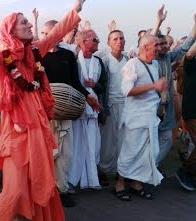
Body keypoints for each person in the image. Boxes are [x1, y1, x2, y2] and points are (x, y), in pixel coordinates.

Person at [0, 0, 87, 221]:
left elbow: (55, 34)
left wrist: (74, 9)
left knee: (31, 180)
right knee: (13, 188)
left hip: (38, 127)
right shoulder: (3, 60)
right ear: (12, 30)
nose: (29, 25)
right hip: (16, 133)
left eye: (28, 21)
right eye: (23, 22)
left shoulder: (34, 52)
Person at [40, 21, 99, 207]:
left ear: (58, 34)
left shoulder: (68, 55)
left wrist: (88, 97)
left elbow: (75, 82)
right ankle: (45, 190)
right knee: (46, 153)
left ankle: (62, 189)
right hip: (44, 114)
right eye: (44, 33)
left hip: (65, 112)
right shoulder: (37, 57)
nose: (47, 37)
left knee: (65, 153)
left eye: (51, 33)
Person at [114, 34, 167, 201]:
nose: (160, 48)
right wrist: (153, 85)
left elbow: (155, 90)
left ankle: (136, 183)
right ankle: (120, 183)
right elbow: (127, 91)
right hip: (135, 118)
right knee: (130, 152)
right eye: (156, 45)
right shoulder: (132, 64)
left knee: (147, 154)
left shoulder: (156, 64)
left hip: (150, 117)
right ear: (145, 47)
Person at [149, 6, 196, 168]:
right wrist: (158, 22)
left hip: (166, 109)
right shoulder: (148, 61)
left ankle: (150, 168)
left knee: (167, 140)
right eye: (159, 44)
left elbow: (185, 47)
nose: (163, 47)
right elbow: (147, 42)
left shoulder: (168, 57)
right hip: (150, 109)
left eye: (164, 44)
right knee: (148, 142)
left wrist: (195, 25)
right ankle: (143, 172)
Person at [68, 29, 107, 190]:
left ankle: (91, 179)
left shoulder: (99, 62)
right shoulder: (74, 61)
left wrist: (94, 86)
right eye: (95, 39)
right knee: (76, 146)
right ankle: (73, 180)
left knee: (94, 145)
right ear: (84, 42)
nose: (98, 42)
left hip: (94, 112)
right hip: (78, 111)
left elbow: (104, 85)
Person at [98, 30, 128, 182]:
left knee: (123, 140)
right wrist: (102, 109)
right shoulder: (104, 62)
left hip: (126, 106)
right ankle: (102, 170)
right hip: (110, 106)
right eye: (115, 39)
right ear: (108, 42)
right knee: (107, 140)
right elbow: (101, 88)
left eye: (121, 38)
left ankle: (120, 171)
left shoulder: (129, 60)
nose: (119, 41)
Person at [175, 40, 196, 190]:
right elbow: (189, 54)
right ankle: (186, 171)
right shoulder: (190, 65)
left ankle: (188, 171)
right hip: (192, 113)